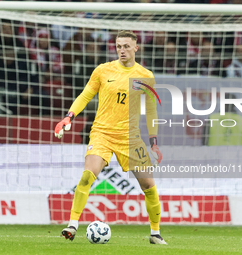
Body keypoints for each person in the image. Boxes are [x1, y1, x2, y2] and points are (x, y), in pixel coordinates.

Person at [54, 30, 167, 245]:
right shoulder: (103, 70)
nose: (122, 50)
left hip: (131, 139)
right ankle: (72, 225)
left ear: (136, 47)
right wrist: (69, 116)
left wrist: (154, 141)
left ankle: (155, 233)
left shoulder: (145, 76)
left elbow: (151, 110)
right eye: (118, 46)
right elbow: (86, 95)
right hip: (102, 133)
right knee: (88, 175)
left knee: (149, 186)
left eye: (126, 46)